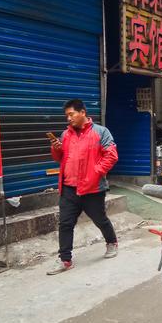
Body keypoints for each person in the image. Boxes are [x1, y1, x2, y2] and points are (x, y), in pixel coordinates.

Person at [47, 99, 119, 275]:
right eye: (67, 116)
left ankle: (112, 242)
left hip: (92, 188)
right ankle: (65, 259)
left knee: (100, 219)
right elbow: (60, 159)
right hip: (69, 188)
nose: (68, 119)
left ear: (83, 113)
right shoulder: (65, 135)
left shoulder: (101, 132)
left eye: (71, 114)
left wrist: (95, 172)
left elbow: (111, 156)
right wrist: (56, 149)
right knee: (65, 223)